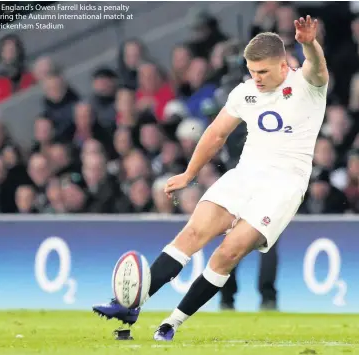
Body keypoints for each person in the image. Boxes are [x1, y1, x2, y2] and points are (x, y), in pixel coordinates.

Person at [93, 15, 329, 341]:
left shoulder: (307, 86)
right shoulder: (244, 93)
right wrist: (189, 173)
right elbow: (216, 134)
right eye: (251, 70)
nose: (255, 78)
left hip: (285, 184)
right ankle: (130, 305)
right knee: (192, 233)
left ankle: (172, 323)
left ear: (283, 65)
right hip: (245, 174)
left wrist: (309, 44)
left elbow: (316, 66)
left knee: (228, 252)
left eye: (262, 71)